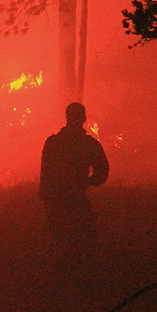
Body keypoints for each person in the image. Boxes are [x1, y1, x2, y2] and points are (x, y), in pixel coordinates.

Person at [38, 102, 109, 272]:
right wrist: (90, 181)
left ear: (67, 117)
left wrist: (45, 194)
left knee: (61, 239)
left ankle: (65, 273)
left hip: (56, 200)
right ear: (84, 119)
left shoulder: (53, 142)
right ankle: (78, 273)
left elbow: (45, 171)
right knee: (83, 238)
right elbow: (102, 170)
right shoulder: (88, 144)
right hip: (75, 199)